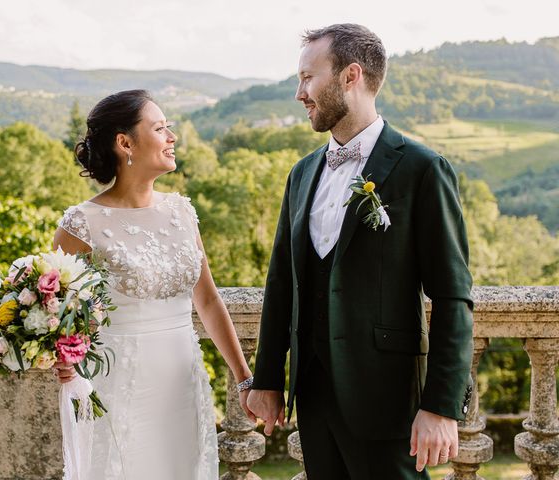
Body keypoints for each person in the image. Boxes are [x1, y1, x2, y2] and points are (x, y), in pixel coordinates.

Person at [247, 24, 474, 479]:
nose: (299, 93)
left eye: (308, 78)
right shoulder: (302, 172)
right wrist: (269, 378)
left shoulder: (422, 169)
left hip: (387, 400)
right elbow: (281, 282)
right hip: (312, 396)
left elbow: (453, 297)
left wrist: (442, 406)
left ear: (350, 76)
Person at [52, 90, 253, 480]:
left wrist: (245, 377)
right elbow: (57, 311)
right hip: (119, 388)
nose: (172, 137)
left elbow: (208, 300)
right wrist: (65, 357)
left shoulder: (181, 211)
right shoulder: (80, 225)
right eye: (160, 128)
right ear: (124, 142)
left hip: (182, 383)